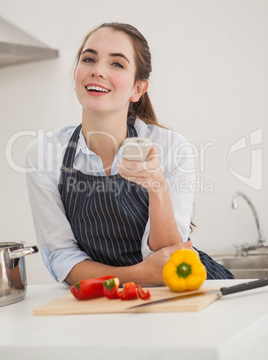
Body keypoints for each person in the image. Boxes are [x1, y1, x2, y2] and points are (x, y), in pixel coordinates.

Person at [26, 22, 233, 286]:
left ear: (138, 89)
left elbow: (168, 256)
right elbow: (63, 258)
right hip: (110, 296)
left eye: (117, 64)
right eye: (89, 59)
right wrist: (138, 276)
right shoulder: (45, 155)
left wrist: (157, 187)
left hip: (183, 285)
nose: (98, 71)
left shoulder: (171, 148)